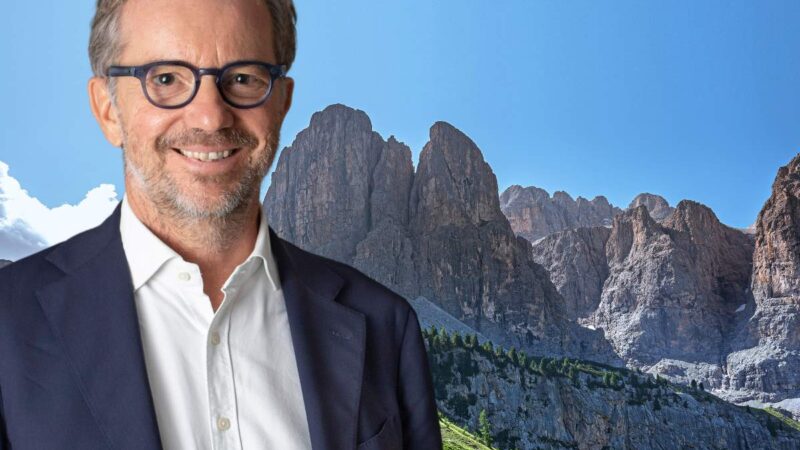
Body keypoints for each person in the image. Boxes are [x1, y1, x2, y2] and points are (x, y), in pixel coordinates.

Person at [0, 0, 442, 449]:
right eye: (166, 78)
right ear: (108, 108)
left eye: (244, 78)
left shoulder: (386, 324)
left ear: (282, 102)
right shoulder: (8, 322)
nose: (210, 116)